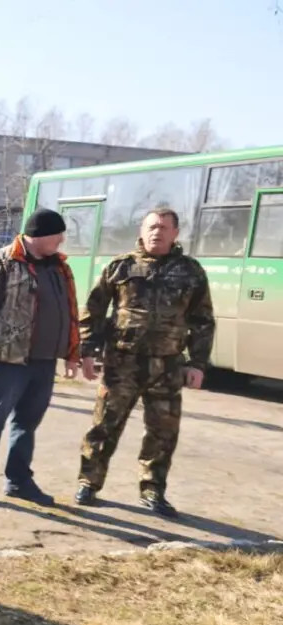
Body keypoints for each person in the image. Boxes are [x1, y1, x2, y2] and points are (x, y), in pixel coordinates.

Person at [74, 207, 214, 517]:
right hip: (121, 363)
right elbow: (93, 311)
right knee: (104, 426)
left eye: (164, 227)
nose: (157, 232)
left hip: (167, 366)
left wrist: (197, 364)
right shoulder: (121, 267)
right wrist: (87, 351)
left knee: (163, 432)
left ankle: (153, 490)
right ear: (142, 229)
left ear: (175, 233)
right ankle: (89, 482)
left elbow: (202, 320)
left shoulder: (190, 272)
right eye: (152, 226)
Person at [0, 208, 93, 507]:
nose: (62, 241)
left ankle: (18, 481)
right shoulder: (3, 262)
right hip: (8, 359)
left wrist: (72, 354)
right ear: (40, 235)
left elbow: (70, 311)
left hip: (44, 361)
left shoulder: (58, 267)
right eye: (58, 234)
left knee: (27, 423)